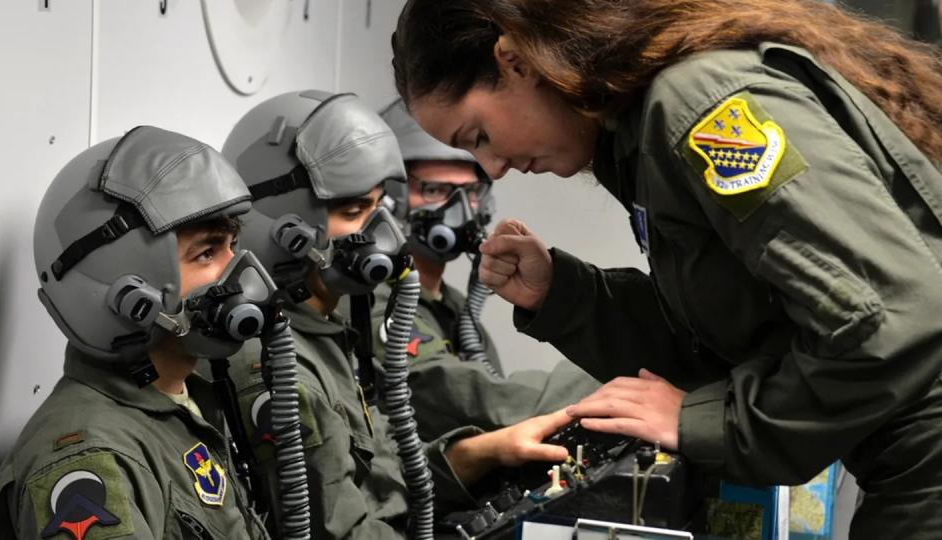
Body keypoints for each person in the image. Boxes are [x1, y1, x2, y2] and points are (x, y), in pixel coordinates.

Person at [390, 0, 942, 537]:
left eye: (479, 136)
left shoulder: (699, 106)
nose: (493, 167)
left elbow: (889, 320)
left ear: (517, 61)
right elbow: (731, 339)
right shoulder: (636, 134)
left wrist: (704, 421)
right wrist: (564, 296)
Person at [220, 90, 573, 539]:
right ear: (286, 231)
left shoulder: (338, 332)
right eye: (354, 211)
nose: (383, 233)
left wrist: (484, 452)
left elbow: (386, 482)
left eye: (378, 207)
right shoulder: (279, 365)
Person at [0, 126, 275, 539]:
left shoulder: (190, 399)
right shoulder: (91, 460)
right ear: (129, 295)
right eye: (208, 252)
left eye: (233, 245)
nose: (243, 271)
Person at [375, 98, 600, 441]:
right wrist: (616, 376)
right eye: (435, 190)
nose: (459, 210)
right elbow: (479, 400)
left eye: (470, 193)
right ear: (388, 199)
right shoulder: (375, 301)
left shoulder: (451, 307)